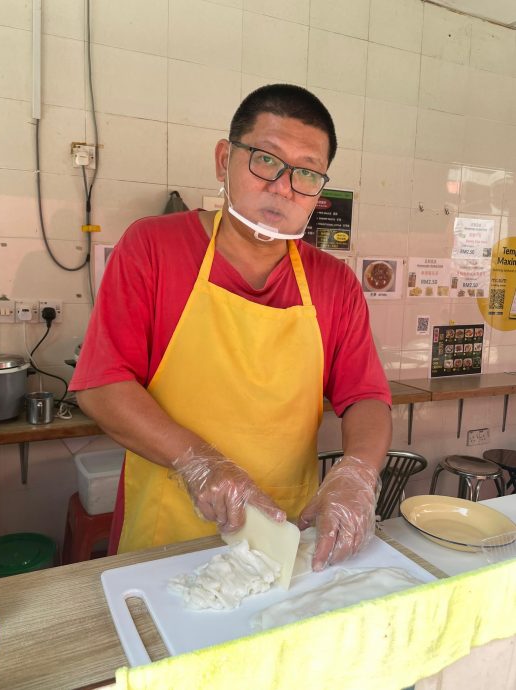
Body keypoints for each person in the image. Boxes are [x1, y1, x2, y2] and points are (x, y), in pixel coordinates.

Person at [70, 84, 392, 571]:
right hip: (167, 536)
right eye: (266, 160)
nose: (283, 187)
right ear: (225, 160)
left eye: (305, 173)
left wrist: (358, 473)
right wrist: (202, 464)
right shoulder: (153, 248)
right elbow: (101, 384)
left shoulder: (334, 284)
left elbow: (366, 396)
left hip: (284, 538)